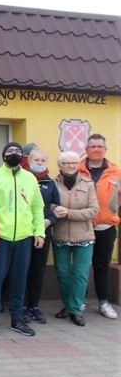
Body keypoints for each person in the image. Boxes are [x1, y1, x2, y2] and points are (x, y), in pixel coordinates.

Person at [0, 142, 45, 336]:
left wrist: (39, 232)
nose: (14, 154)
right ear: (3, 156)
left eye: (17, 151)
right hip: (0, 237)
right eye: (9, 151)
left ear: (23, 156)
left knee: (20, 279)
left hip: (24, 237)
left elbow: (37, 208)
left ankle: (17, 319)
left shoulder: (30, 178)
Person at [53, 151, 99, 326]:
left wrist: (68, 213)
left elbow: (94, 210)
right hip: (60, 235)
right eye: (66, 163)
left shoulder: (88, 184)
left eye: (74, 163)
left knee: (80, 274)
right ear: (60, 166)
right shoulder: (53, 184)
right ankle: (68, 305)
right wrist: (55, 208)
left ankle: (76, 309)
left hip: (84, 236)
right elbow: (49, 204)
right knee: (63, 274)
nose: (71, 166)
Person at [78, 134, 120, 319]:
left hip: (106, 227)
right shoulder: (76, 170)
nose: (96, 149)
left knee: (102, 265)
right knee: (81, 266)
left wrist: (114, 215)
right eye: (92, 146)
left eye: (100, 146)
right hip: (82, 226)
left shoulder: (116, 172)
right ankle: (79, 301)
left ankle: (104, 302)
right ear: (86, 149)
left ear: (106, 149)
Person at [22, 147, 60, 323]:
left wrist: (49, 221)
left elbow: (56, 210)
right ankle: (20, 305)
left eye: (42, 160)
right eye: (36, 160)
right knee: (21, 270)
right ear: (28, 161)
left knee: (38, 270)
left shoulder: (50, 183)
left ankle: (34, 306)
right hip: (22, 233)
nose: (39, 163)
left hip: (43, 233)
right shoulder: (21, 179)